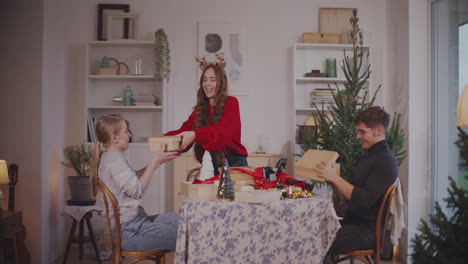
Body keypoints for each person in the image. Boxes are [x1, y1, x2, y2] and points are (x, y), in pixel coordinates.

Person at [313, 106, 398, 263]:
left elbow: (363, 199)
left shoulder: (385, 160)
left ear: (378, 130)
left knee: (312, 239)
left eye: (362, 132)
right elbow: (350, 195)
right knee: (309, 229)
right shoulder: (368, 157)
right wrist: (333, 179)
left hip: (366, 232)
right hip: (352, 223)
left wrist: (336, 179)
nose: (358, 136)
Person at [90, 113, 181, 251]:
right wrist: (154, 161)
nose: (130, 135)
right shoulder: (114, 160)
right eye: (126, 131)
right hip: (129, 232)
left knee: (184, 220)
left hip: (136, 223)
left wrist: (157, 163)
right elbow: (137, 190)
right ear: (114, 138)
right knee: (186, 236)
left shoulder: (112, 157)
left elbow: (132, 178)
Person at [165, 54, 248, 175]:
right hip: (212, 161)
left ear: (221, 82)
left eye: (212, 80)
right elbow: (184, 130)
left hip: (234, 162)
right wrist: (161, 138)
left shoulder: (231, 103)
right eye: (204, 80)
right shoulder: (200, 109)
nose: (207, 84)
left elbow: (222, 131)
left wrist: (194, 135)